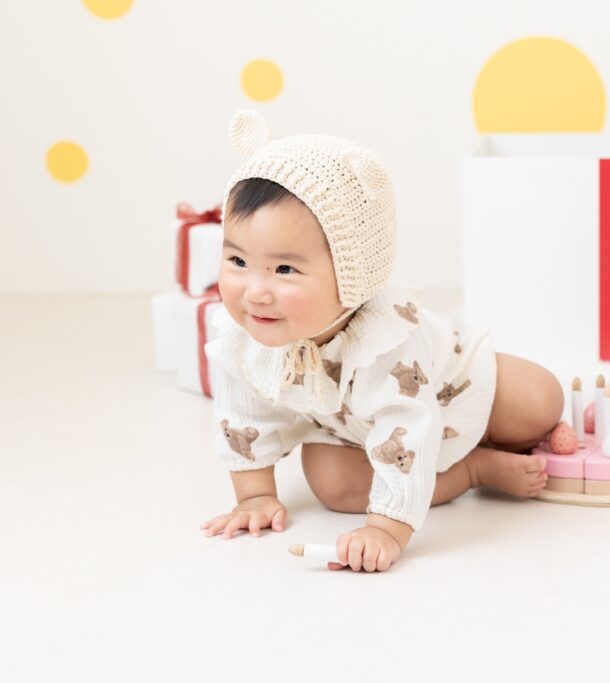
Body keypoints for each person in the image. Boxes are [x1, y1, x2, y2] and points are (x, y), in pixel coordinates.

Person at [199, 110, 564, 573]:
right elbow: (244, 413)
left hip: (452, 387)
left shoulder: (382, 343)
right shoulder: (248, 331)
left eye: (284, 269)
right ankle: (473, 470)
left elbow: (408, 422)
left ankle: (488, 439)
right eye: (237, 261)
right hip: (356, 430)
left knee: (539, 400)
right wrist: (254, 495)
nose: (255, 292)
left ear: (353, 275)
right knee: (333, 484)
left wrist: (387, 528)